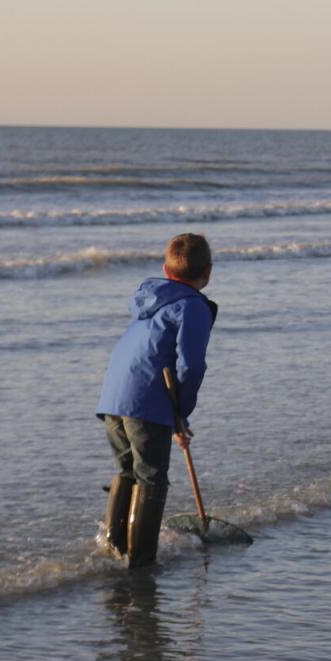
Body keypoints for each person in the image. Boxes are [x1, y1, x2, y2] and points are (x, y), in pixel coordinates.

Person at [97, 233, 217, 568]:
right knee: (151, 477)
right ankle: (141, 563)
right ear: (208, 271)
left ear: (166, 269)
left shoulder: (149, 302)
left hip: (113, 397)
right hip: (145, 400)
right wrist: (181, 411)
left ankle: (114, 548)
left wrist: (179, 417)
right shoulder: (192, 306)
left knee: (127, 470)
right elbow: (190, 365)